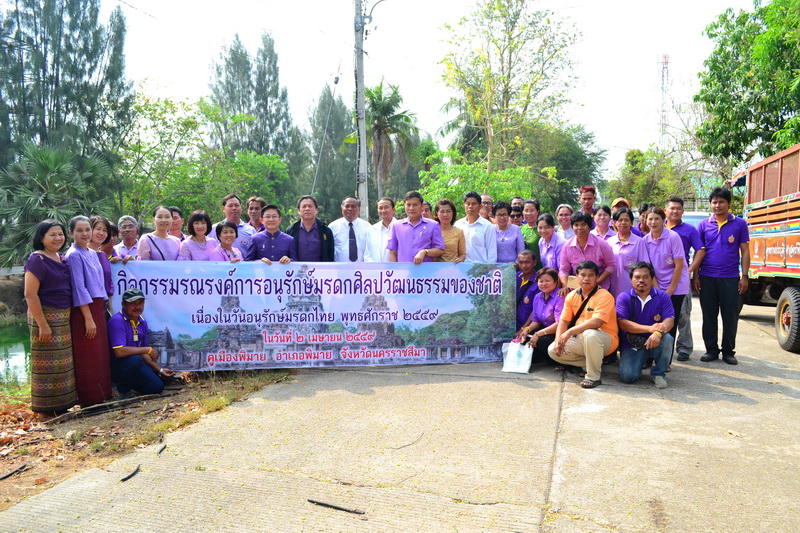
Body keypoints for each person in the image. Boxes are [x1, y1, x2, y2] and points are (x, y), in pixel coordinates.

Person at [24, 220, 78, 419]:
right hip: (44, 316)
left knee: (62, 364)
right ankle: (45, 411)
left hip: (63, 317)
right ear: (41, 238)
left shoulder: (61, 258)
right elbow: (30, 294)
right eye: (52, 235)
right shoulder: (37, 259)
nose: (58, 238)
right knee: (45, 365)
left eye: (60, 234)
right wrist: (43, 324)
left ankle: (61, 406)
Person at [690, 187, 750, 365]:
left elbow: (745, 251)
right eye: (714, 202)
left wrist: (744, 276)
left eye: (721, 202)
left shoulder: (740, 224)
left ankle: (728, 351)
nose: (717, 205)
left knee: (730, 316)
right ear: (710, 204)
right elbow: (698, 252)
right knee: (709, 316)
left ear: (729, 203)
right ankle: (711, 350)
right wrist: (695, 276)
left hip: (731, 278)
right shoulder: (703, 225)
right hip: (707, 277)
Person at [65, 215, 112, 406]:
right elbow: (79, 287)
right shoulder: (74, 254)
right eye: (79, 230)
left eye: (87, 230)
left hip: (98, 307)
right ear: (71, 233)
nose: (85, 234)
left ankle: (103, 395)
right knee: (88, 355)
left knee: (100, 353)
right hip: (85, 310)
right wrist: (88, 317)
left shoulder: (92, 253)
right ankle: (90, 399)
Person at [548, 260, 619, 388]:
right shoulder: (571, 295)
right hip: (581, 337)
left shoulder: (604, 296)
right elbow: (563, 321)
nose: (586, 278)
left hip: (605, 338)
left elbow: (597, 322)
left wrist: (569, 332)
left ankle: (593, 377)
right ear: (577, 277)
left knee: (590, 334)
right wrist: (558, 339)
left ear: (597, 277)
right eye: (583, 275)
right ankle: (590, 363)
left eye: (591, 275)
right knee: (553, 350)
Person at [616, 262, 675, 388]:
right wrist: (650, 328)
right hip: (632, 343)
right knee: (627, 377)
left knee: (668, 339)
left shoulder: (662, 296)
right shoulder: (624, 297)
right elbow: (623, 324)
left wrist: (657, 333)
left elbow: (669, 321)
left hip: (655, 340)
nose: (641, 280)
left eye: (646, 277)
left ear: (652, 278)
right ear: (631, 279)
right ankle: (641, 359)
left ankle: (659, 373)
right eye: (637, 277)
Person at [108, 288, 175, 397]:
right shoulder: (117, 321)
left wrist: (160, 369)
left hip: (134, 365)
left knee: (157, 387)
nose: (137, 307)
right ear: (123, 304)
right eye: (133, 304)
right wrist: (147, 349)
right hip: (117, 366)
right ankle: (122, 390)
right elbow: (119, 351)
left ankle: (131, 385)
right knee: (136, 359)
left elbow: (144, 353)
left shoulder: (142, 322)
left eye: (140, 303)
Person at [643, 207, 689, 362]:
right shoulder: (645, 241)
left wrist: (669, 290)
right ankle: (650, 356)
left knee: (670, 322)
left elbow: (679, 265)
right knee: (653, 320)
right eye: (650, 219)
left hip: (676, 286)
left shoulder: (673, 237)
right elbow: (649, 268)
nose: (653, 222)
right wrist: (657, 289)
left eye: (657, 218)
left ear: (664, 220)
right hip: (655, 286)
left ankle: (666, 360)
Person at [665, 197, 704, 361]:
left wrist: (690, 269)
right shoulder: (659, 227)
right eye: (671, 208)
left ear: (682, 211)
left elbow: (700, 250)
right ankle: (664, 347)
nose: (674, 211)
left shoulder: (689, 230)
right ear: (665, 210)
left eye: (678, 208)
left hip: (680, 280)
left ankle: (684, 348)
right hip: (661, 279)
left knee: (683, 314)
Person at [515, 268, 565, 367]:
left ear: (555, 282)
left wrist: (538, 334)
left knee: (542, 341)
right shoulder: (538, 296)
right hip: (544, 330)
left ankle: (559, 362)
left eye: (547, 281)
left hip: (558, 331)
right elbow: (536, 320)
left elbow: (560, 324)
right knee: (524, 338)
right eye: (541, 281)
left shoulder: (560, 296)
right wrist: (526, 329)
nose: (544, 284)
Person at [558, 211, 615, 297]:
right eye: (576, 225)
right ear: (572, 227)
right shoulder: (567, 246)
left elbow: (611, 265)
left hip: (599, 289)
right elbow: (563, 270)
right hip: (577, 291)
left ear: (589, 227)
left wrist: (597, 281)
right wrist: (565, 286)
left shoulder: (601, 244)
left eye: (583, 224)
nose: (579, 228)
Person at [387, 191, 445, 264]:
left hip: (425, 272)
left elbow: (440, 250)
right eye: (408, 205)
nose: (411, 208)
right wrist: (395, 271)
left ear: (422, 206)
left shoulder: (433, 225)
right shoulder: (396, 225)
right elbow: (392, 252)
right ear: (404, 205)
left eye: (415, 205)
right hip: (403, 272)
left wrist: (425, 252)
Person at [607, 207, 650, 298]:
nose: (623, 223)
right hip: (611, 289)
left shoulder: (639, 242)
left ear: (631, 222)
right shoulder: (609, 242)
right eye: (620, 220)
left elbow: (645, 266)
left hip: (633, 290)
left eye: (626, 220)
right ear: (614, 222)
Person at [285, 195, 335, 262]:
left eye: (310, 206)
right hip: (296, 271)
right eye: (304, 206)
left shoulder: (325, 230)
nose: (307, 209)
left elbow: (330, 255)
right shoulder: (290, 231)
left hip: (320, 271)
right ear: (299, 210)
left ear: (316, 210)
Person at [455, 191, 497, 263]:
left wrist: (489, 270)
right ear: (464, 206)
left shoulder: (488, 226)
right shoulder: (457, 225)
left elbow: (492, 253)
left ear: (480, 206)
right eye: (468, 204)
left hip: (480, 269)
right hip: (461, 267)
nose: (470, 206)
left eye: (474, 204)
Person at [211, 194, 255, 258]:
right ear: (223, 208)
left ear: (241, 207)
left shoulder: (250, 230)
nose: (234, 208)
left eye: (236, 205)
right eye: (230, 206)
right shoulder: (214, 229)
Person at [329, 196, 371, 262]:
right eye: (347, 206)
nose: (350, 209)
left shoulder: (367, 227)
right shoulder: (332, 227)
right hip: (339, 269)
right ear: (342, 208)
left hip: (362, 269)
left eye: (353, 206)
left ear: (359, 209)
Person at [88, 215, 114, 317]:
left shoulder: (102, 255)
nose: (101, 233)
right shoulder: (81, 254)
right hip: (89, 306)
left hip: (103, 306)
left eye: (104, 230)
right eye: (98, 229)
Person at [364, 197, 396, 262]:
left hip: (396, 270)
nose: (383, 210)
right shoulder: (372, 229)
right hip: (376, 270)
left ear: (393, 209)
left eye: (386, 207)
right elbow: (368, 254)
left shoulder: (401, 228)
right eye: (380, 208)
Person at [434, 198, 466, 263]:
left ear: (453, 213)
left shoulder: (459, 232)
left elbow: (462, 254)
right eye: (442, 211)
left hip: (453, 268)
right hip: (435, 269)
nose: (445, 215)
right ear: (437, 214)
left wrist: (460, 259)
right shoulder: (432, 231)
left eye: (448, 211)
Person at [515, 250, 539, 332]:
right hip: (510, 326)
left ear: (534, 262)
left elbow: (535, 310)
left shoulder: (539, 282)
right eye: (520, 262)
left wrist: (523, 329)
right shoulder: (515, 276)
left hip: (526, 328)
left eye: (527, 262)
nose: (523, 265)